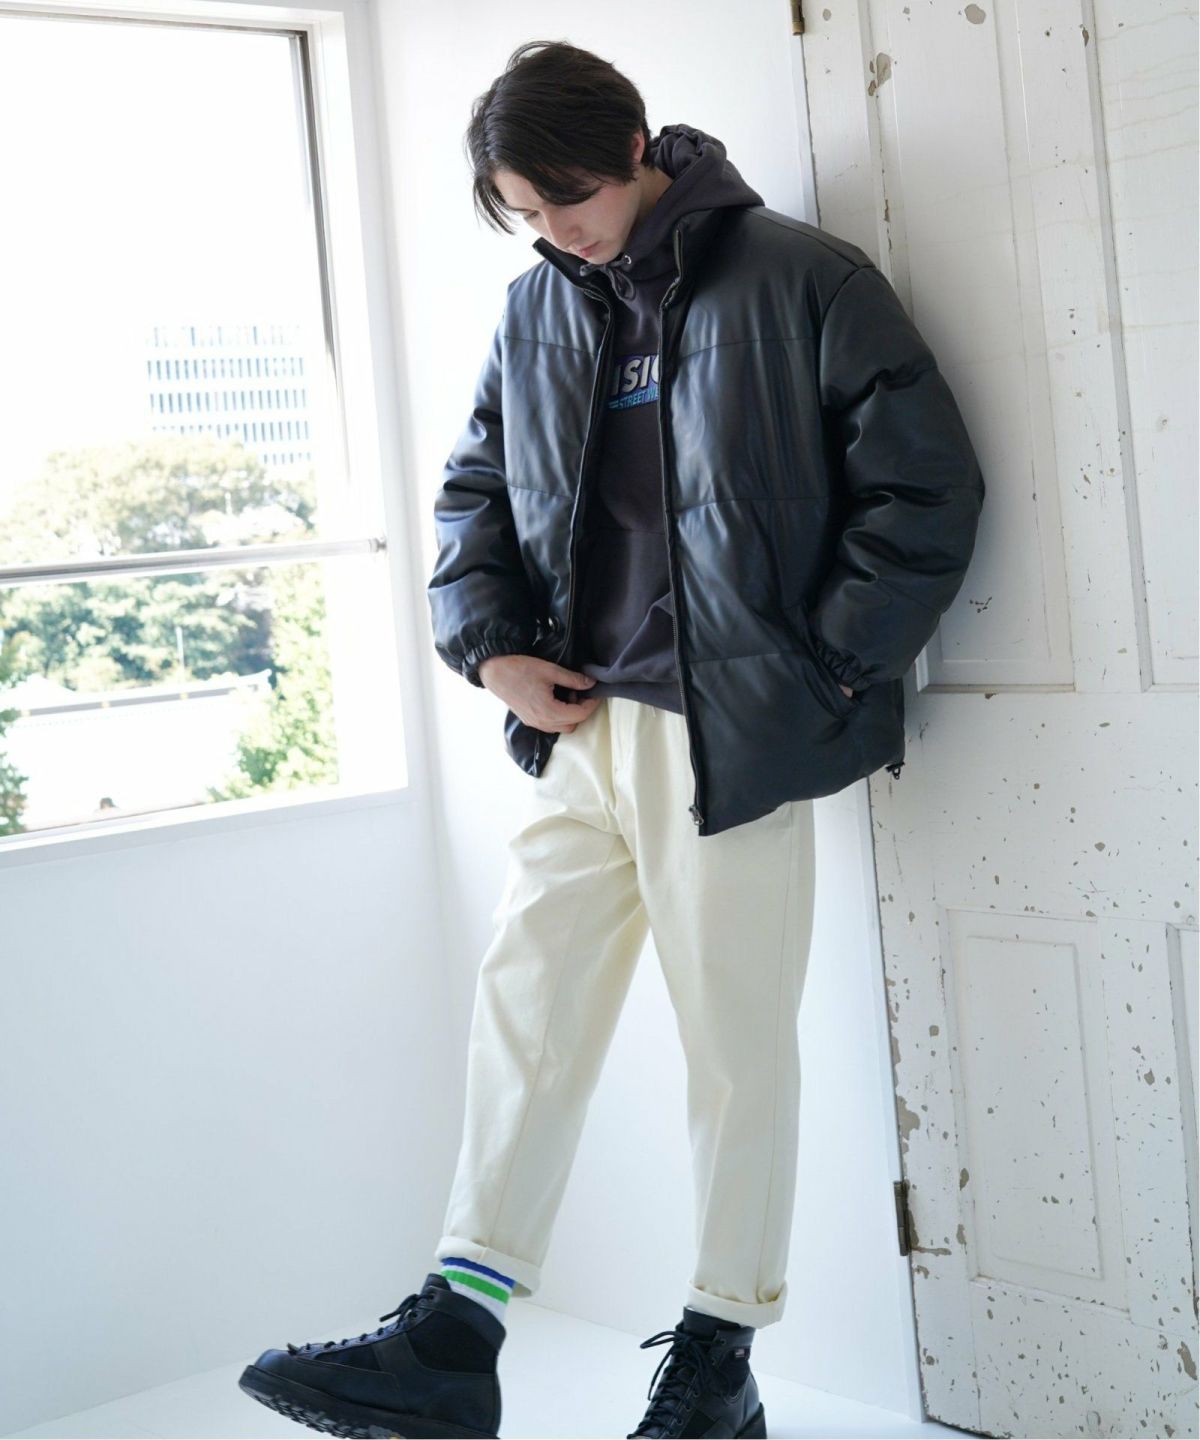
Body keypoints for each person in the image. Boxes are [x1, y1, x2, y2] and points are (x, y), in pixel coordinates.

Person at [238, 37, 985, 1440]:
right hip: (579, 726)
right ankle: (456, 1331)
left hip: (727, 735)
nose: (556, 229)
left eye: (568, 196)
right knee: (525, 1009)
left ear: (636, 147)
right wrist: (491, 649)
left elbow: (927, 487)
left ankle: (721, 1355)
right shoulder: (538, 310)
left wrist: (816, 673)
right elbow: (475, 489)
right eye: (525, 210)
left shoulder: (801, 279)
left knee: (734, 1047)